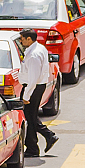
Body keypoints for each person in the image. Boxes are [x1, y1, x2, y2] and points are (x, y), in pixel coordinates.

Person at [18, 28, 59, 158]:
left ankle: (37, 144)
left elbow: (33, 79)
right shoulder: (39, 48)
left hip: (33, 88)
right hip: (37, 86)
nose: (20, 41)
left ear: (29, 39)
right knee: (31, 116)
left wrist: (26, 96)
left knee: (30, 117)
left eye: (22, 38)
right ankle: (36, 144)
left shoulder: (33, 55)